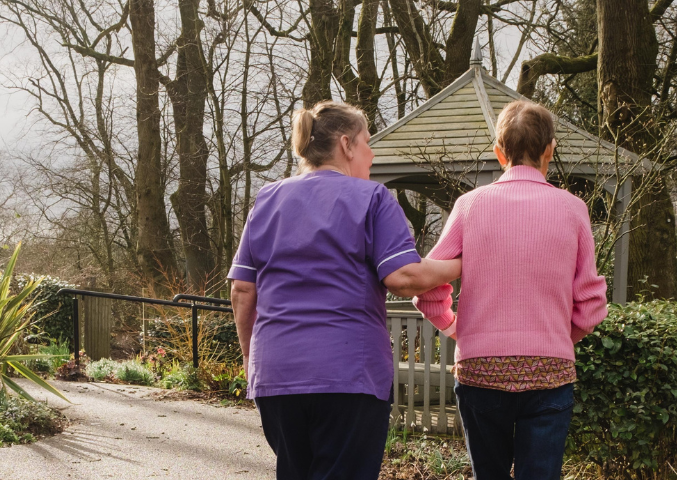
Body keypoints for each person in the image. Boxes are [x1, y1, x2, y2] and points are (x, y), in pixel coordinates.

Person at [229, 100, 462, 480]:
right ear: (346, 144)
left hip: (277, 372)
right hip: (349, 374)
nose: (372, 154)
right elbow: (403, 277)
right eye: (367, 142)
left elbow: (242, 290)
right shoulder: (372, 199)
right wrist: (462, 263)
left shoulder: (267, 199)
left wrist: (251, 358)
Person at [413, 100, 609, 480]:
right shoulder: (573, 209)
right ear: (550, 149)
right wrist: (555, 339)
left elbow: (429, 284)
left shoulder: (470, 206)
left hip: (481, 370)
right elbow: (590, 304)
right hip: (550, 371)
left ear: (498, 152)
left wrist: (458, 329)